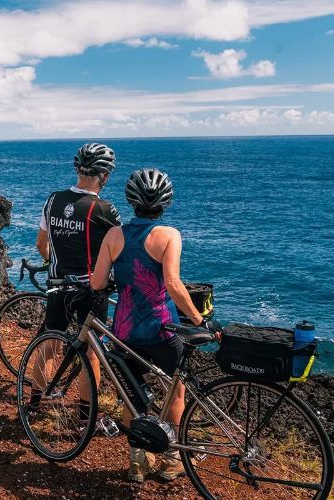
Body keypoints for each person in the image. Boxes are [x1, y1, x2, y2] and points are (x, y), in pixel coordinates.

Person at [89, 168, 204, 483]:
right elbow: (174, 284)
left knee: (131, 394)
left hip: (125, 330)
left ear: (131, 201)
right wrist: (199, 320)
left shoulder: (114, 235)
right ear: (164, 203)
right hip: (163, 329)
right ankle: (174, 459)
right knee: (176, 392)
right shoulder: (169, 236)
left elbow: (98, 282)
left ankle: (138, 462)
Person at [29, 143, 121, 424]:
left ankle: (33, 405)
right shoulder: (104, 209)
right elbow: (120, 251)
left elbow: (41, 244)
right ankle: (84, 417)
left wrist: (54, 266)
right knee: (92, 353)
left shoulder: (53, 200)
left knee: (50, 344)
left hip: (58, 285)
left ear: (77, 170)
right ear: (104, 176)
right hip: (91, 291)